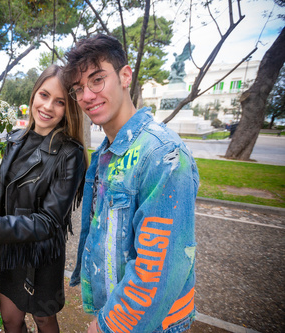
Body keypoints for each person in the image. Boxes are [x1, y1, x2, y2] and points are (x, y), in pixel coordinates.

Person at [63, 34, 199, 333]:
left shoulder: (163, 154)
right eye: (78, 89)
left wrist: (108, 325)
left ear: (125, 76)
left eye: (97, 80)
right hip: (115, 306)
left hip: (150, 324)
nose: (86, 96)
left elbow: (159, 268)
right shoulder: (106, 154)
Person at [0, 64, 87, 333]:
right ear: (33, 96)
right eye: (44, 95)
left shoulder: (69, 153)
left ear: (69, 109)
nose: (48, 106)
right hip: (9, 247)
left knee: (43, 319)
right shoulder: (15, 138)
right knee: (10, 320)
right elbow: (3, 181)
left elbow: (50, 221)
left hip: (41, 254)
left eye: (60, 101)